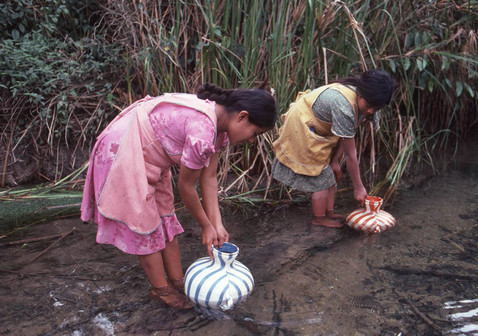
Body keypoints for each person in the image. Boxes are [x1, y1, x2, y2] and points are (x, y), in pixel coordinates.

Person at [80, 83, 277, 309]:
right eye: (255, 134)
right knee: (146, 225)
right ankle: (161, 289)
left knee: (164, 215)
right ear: (242, 117)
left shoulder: (218, 129)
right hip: (127, 147)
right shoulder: (203, 129)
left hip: (153, 155)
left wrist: (217, 224)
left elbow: (209, 179)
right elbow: (185, 187)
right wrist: (205, 225)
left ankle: (177, 281)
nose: (252, 140)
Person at [272, 69, 396, 228]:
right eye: (369, 105)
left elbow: (343, 136)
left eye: (376, 108)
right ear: (359, 92)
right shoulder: (344, 105)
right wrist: (359, 187)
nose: (371, 111)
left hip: (320, 128)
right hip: (302, 125)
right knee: (321, 181)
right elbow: (350, 154)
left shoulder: (361, 102)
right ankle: (319, 219)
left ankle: (329, 213)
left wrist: (334, 161)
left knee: (331, 174)